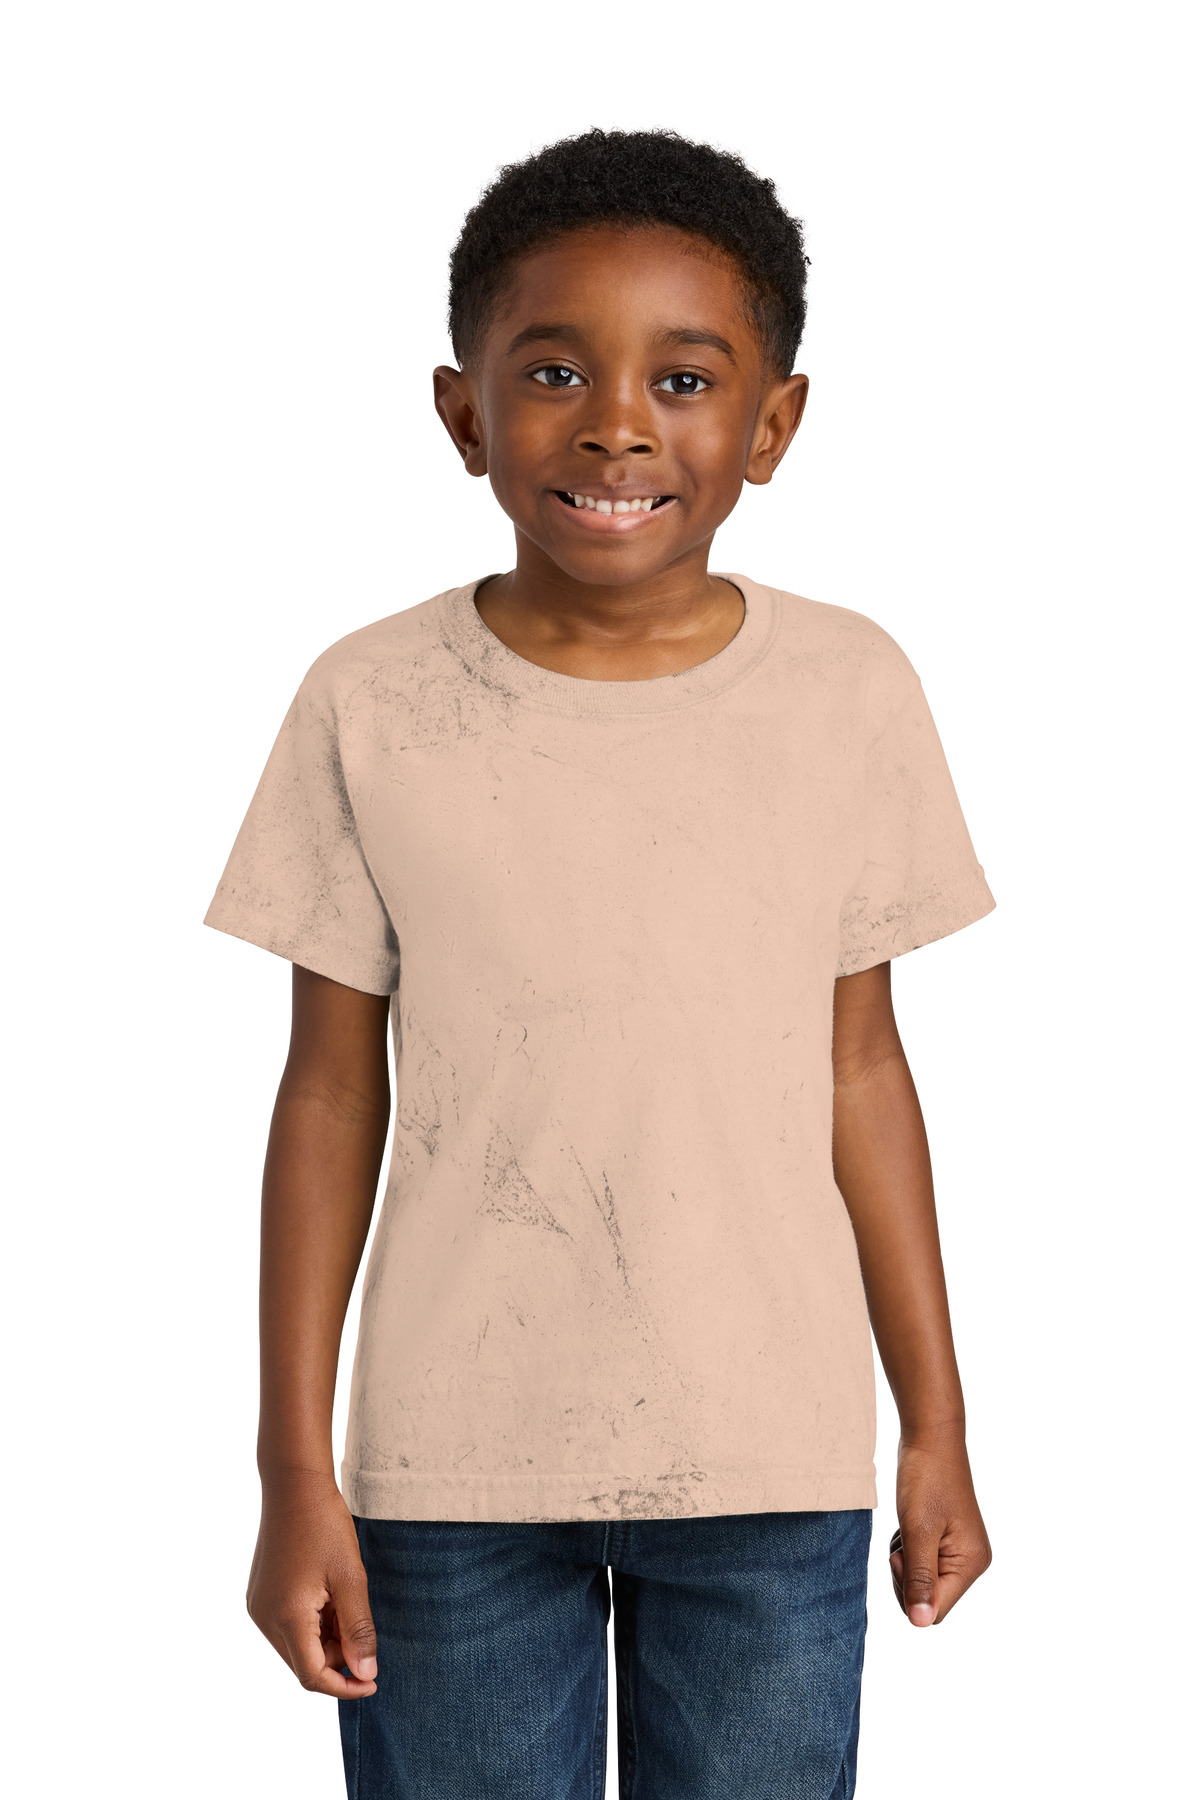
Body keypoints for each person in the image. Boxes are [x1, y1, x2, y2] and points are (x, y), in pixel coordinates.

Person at [205, 128, 995, 1800]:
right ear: (462, 414)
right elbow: (329, 1092)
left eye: (685, 379)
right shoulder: (371, 700)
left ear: (773, 424)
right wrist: (293, 1470)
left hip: (769, 1461)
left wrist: (937, 1425)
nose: (618, 423)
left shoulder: (848, 691)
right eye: (554, 370)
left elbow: (861, 1068)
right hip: (448, 1476)